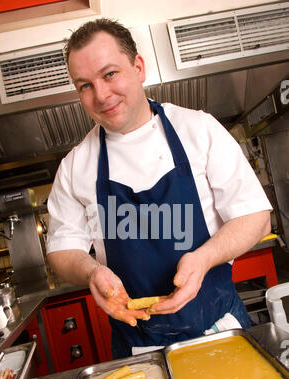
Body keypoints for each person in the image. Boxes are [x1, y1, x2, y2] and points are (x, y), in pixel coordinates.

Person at [46, 18, 272, 358]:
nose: (101, 95)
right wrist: (91, 271)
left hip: (219, 330)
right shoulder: (76, 166)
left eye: (110, 74)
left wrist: (204, 258)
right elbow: (61, 251)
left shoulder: (199, 130)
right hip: (138, 350)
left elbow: (256, 218)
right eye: (85, 86)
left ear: (138, 67)